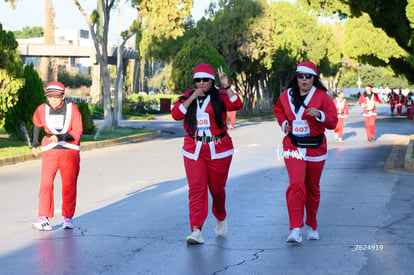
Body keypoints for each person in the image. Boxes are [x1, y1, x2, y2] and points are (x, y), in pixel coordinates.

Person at [171, 63, 243, 244]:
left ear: (212, 81)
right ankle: (196, 230)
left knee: (217, 190)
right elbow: (176, 114)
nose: (201, 83)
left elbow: (237, 104)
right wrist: (191, 98)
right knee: (196, 189)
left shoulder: (220, 94)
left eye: (205, 80)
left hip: (218, 149)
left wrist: (226, 86)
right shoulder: (189, 95)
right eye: (198, 80)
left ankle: (220, 216)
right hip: (194, 149)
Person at [273, 61, 338, 244]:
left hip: (316, 147)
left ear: (314, 79)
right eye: (300, 76)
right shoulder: (286, 95)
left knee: (312, 188)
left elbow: (333, 122)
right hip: (293, 145)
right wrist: (283, 122)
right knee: (296, 185)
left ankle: (312, 224)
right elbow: (278, 110)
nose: (304, 80)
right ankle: (295, 229)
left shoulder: (323, 97)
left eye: (308, 76)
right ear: (296, 77)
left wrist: (319, 115)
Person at [31, 81, 83, 231]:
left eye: (56, 97)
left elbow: (77, 131)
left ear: (63, 96)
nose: (52, 100)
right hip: (50, 151)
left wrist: (60, 137)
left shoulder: (72, 109)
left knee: (68, 185)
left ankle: (68, 217)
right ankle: (44, 218)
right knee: (46, 184)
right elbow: (37, 124)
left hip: (69, 151)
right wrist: (35, 144)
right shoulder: (42, 109)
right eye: (50, 97)